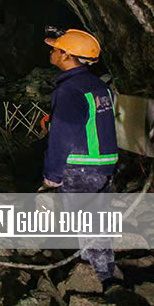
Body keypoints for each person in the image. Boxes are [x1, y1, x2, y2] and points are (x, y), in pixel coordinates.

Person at [42, 28, 119, 286]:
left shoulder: (69, 90)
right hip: (104, 166)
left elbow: (62, 135)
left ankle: (95, 283)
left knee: (86, 228)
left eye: (56, 49)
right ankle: (107, 276)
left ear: (67, 56)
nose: (51, 52)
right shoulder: (99, 87)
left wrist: (51, 176)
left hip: (80, 168)